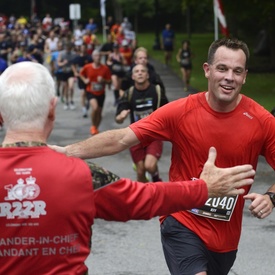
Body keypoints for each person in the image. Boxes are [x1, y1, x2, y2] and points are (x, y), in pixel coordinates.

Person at [0, 61, 255, 274]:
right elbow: (145, 197)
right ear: (52, 110)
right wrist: (203, 188)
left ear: (1, 114)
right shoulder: (82, 176)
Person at [50, 37, 275, 275]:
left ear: (245, 76)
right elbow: (122, 138)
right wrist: (67, 152)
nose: (229, 77)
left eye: (237, 71)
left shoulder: (261, 122)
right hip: (181, 222)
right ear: (207, 70)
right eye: (222, 68)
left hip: (226, 240)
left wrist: (271, 197)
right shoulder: (181, 112)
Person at [115, 64, 168, 182]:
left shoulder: (157, 91)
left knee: (149, 165)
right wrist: (121, 116)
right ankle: (146, 196)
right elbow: (118, 117)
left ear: (147, 75)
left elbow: (168, 111)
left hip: (153, 135)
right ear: (133, 76)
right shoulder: (129, 93)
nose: (140, 73)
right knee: (140, 172)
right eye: (137, 71)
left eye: (143, 71)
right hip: (135, 136)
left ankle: (157, 182)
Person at [79, 50, 112, 135]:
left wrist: (103, 80)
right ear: (93, 57)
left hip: (101, 93)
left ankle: (96, 128)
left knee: (99, 112)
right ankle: (93, 126)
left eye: (99, 56)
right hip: (91, 91)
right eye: (96, 56)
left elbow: (109, 81)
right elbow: (81, 74)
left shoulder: (105, 68)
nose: (98, 57)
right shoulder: (88, 67)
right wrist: (85, 80)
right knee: (95, 108)